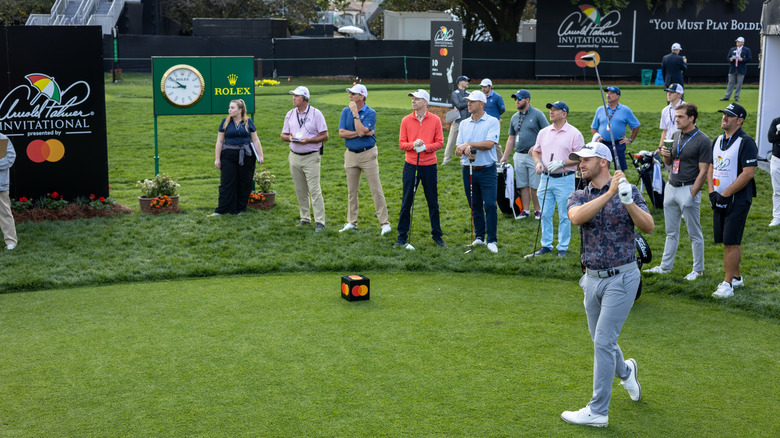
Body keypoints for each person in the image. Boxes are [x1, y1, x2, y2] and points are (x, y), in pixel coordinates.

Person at [562, 142, 654, 428]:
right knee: (602, 341)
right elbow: (577, 217)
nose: (580, 164)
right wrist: (610, 193)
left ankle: (598, 410)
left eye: (586, 160)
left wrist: (627, 201)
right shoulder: (579, 194)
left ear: (603, 162)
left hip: (622, 277)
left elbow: (648, 226)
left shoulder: (629, 191)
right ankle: (626, 371)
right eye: (579, 160)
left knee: (603, 341)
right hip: (591, 279)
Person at [644, 103, 711, 280]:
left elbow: (704, 171)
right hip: (671, 186)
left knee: (694, 233)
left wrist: (692, 194)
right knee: (671, 232)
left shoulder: (703, 140)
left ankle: (698, 270)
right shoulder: (675, 135)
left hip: (688, 188)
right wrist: (666, 155)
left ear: (691, 118)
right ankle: (665, 267)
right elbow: (669, 163)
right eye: (676, 117)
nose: (676, 120)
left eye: (680, 117)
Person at [708, 103, 757, 298]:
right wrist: (712, 192)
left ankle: (727, 284)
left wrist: (726, 194)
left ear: (740, 120)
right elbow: (711, 167)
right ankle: (736, 277)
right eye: (724, 114)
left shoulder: (746, 142)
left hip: (737, 199)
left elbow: (748, 173)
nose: (724, 118)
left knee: (730, 241)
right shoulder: (718, 140)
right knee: (729, 241)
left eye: (729, 115)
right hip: (719, 198)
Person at [526, 101, 584, 257]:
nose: (551, 112)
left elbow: (580, 157)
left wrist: (562, 162)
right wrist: (538, 163)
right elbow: (536, 151)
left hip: (565, 179)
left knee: (564, 215)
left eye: (555, 110)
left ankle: (562, 247)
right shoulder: (543, 132)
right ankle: (546, 245)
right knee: (545, 213)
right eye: (550, 110)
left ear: (564, 114)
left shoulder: (574, 133)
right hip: (546, 178)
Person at [338, 84, 391, 235]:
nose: (350, 96)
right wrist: (361, 132)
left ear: (362, 96)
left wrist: (356, 114)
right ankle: (351, 222)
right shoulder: (345, 111)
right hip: (350, 154)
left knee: (376, 189)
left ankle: (384, 223)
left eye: (353, 94)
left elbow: (362, 132)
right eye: (349, 93)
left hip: (368, 154)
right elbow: (342, 133)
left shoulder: (370, 113)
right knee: (352, 191)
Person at [395, 89, 446, 248]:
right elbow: (402, 144)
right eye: (412, 99)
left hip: (429, 166)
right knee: (406, 202)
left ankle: (437, 235)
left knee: (433, 202)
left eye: (417, 99)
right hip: (411, 165)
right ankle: (402, 237)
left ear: (425, 102)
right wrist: (413, 144)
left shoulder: (435, 120)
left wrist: (425, 147)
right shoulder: (406, 120)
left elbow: (439, 142)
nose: (413, 101)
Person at [454, 90, 500, 253]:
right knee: (474, 205)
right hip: (468, 170)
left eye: (472, 101)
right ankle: (480, 237)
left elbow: (489, 144)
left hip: (487, 170)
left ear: (482, 104)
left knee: (490, 205)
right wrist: (461, 149)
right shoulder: (464, 123)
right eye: (468, 101)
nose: (469, 104)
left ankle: (492, 239)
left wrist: (469, 144)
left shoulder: (492, 121)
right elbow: (459, 145)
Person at [281, 86, 328, 232]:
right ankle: (305, 218)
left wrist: (308, 140)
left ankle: (320, 221)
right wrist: (289, 138)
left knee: (314, 190)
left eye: (297, 96)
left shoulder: (316, 114)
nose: (294, 98)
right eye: (293, 95)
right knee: (300, 189)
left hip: (311, 157)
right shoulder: (290, 114)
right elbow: (283, 135)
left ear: (305, 98)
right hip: (294, 156)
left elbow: (325, 136)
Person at [500, 89, 549, 219]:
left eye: (519, 98)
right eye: (515, 99)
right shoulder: (514, 117)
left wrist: (536, 146)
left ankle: (537, 210)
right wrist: (505, 156)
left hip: (534, 156)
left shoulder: (537, 114)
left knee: (535, 185)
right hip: (519, 155)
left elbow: (547, 133)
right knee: (522, 184)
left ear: (527, 100)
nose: (517, 101)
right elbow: (511, 138)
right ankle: (526, 210)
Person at [212, 99, 264, 216]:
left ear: (240, 110)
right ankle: (222, 210)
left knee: (244, 182)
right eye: (229, 107)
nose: (229, 110)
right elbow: (219, 141)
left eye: (232, 108)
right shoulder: (225, 122)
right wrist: (217, 159)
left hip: (246, 155)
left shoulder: (248, 122)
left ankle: (240, 208)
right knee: (226, 182)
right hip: (228, 155)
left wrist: (260, 155)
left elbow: (255, 140)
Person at [591, 86, 641, 171]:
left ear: (618, 96)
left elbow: (636, 125)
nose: (608, 95)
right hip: (603, 144)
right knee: (601, 169)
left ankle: (620, 180)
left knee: (620, 170)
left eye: (611, 93)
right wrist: (597, 137)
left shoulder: (625, 110)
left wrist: (630, 139)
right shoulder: (600, 110)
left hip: (618, 144)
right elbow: (593, 127)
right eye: (607, 93)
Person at [442, 75, 470, 165]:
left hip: (467, 122)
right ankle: (446, 159)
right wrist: (468, 102)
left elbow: (463, 105)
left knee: (464, 142)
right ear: (460, 82)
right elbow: (459, 105)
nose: (467, 82)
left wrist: (463, 104)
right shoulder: (455, 93)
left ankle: (463, 159)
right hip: (457, 121)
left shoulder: (469, 94)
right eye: (466, 81)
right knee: (451, 141)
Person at [720, 37, 752, 102]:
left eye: (738, 41)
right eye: (737, 41)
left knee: (739, 84)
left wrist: (742, 59)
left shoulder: (747, 50)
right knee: (730, 83)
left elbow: (749, 58)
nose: (737, 42)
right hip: (732, 69)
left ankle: (736, 97)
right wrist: (730, 59)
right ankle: (727, 97)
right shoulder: (732, 49)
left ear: (742, 43)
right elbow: (728, 57)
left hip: (741, 69)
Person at [0, 132, 17, 250]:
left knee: (4, 213)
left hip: (0, 184)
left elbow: (10, 158)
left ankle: (11, 242)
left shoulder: (1, 138)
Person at [480, 78, 505, 157]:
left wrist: (496, 116)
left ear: (490, 87)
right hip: (483, 121)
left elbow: (502, 109)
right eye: (482, 87)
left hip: (494, 122)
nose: (483, 89)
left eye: (485, 87)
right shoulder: (481, 97)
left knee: (495, 142)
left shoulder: (497, 97)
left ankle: (500, 160)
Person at [657, 83, 685, 149]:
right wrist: (659, 148)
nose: (668, 94)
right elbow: (664, 131)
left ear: (679, 95)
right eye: (668, 92)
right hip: (669, 145)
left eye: (672, 92)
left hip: (683, 144)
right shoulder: (665, 110)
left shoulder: (686, 108)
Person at [768, 115, 780, 227]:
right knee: (777, 190)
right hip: (777, 159)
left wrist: (778, 133)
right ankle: (777, 217)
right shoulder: (776, 121)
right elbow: (771, 138)